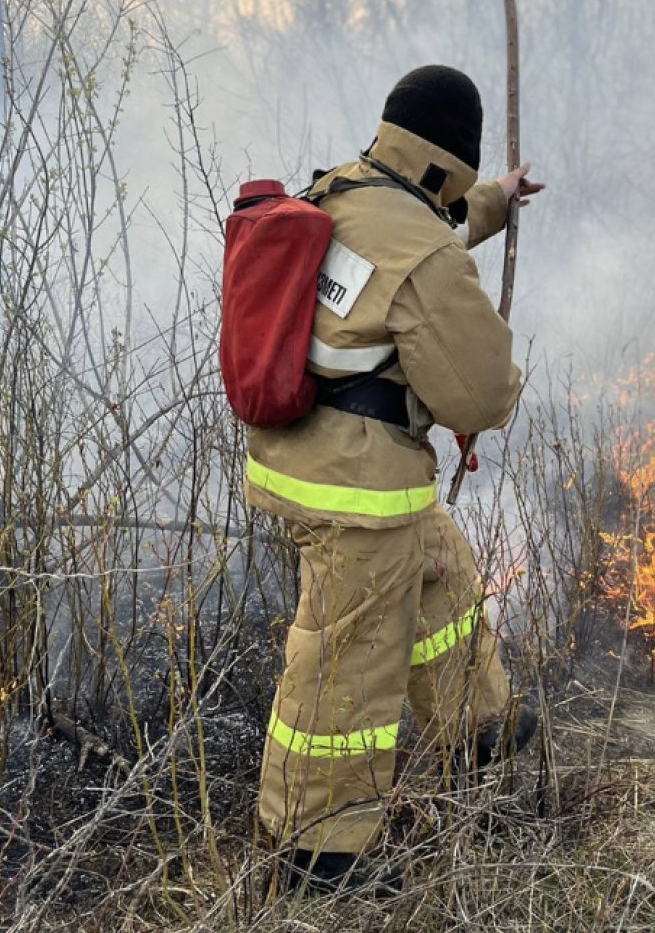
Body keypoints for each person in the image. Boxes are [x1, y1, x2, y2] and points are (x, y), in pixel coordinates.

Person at [245, 65, 544, 895]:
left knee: (441, 571)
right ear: (446, 165)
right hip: (357, 489)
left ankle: (476, 725)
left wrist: (498, 199)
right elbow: (477, 388)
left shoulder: (344, 188)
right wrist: (486, 400)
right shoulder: (421, 251)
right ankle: (318, 848)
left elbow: (425, 227)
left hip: (304, 454)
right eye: (464, 183)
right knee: (349, 661)